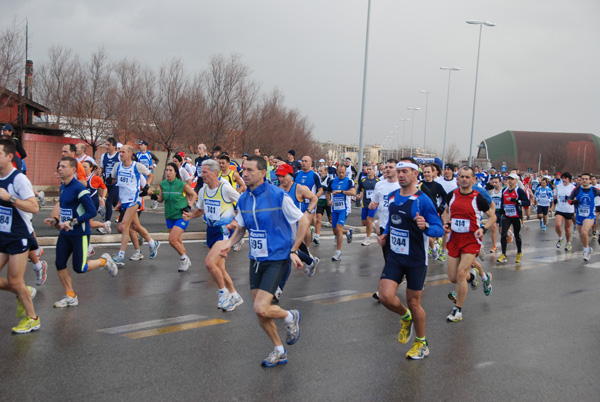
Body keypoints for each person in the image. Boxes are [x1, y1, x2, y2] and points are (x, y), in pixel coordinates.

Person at [219, 155, 308, 367]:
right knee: (261, 311)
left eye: (250, 170)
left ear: (262, 173)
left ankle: (290, 316)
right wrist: (228, 244)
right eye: (244, 170)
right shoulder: (244, 199)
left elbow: (303, 221)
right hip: (256, 259)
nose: (245, 174)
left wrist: (294, 249)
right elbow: (241, 227)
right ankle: (279, 350)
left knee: (261, 307)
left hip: (277, 258)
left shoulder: (278, 196)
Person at [377, 160, 444, 359]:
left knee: (414, 302)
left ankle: (422, 343)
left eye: (404, 171)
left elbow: (438, 229)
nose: (400, 175)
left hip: (416, 259)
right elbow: (392, 219)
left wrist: (426, 228)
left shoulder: (422, 200)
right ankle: (406, 317)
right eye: (398, 172)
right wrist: (386, 234)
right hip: (396, 256)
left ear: (415, 174)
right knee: (385, 296)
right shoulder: (391, 196)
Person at [43, 156, 118, 308]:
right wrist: (57, 220)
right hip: (65, 233)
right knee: (59, 263)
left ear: (72, 170)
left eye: (63, 166)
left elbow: (91, 211)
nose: (60, 169)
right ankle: (70, 295)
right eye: (59, 166)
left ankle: (104, 261)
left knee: (80, 268)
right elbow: (67, 211)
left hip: (80, 234)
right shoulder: (63, 187)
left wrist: (74, 222)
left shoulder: (79, 188)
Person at [184, 159, 244, 311]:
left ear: (215, 173)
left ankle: (223, 293)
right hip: (211, 231)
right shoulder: (203, 190)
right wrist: (190, 216)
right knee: (220, 269)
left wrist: (237, 220)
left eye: (205, 172)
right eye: (201, 172)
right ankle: (235, 295)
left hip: (224, 231)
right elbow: (201, 210)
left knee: (209, 263)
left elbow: (244, 203)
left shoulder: (225, 188)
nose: (201, 175)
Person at [442, 166, 496, 322]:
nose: (464, 179)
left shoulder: (478, 197)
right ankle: (474, 275)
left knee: (460, 273)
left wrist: (483, 228)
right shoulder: (451, 195)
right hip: (454, 239)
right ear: (458, 178)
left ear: (474, 179)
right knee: (453, 277)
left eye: (467, 177)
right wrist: (446, 223)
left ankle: (457, 310)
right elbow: (446, 211)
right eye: (461, 177)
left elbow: (492, 217)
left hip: (471, 239)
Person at [0, 137, 40, 333]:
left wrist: (11, 198)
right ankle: (23, 291)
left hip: (18, 234)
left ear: (9, 156)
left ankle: (33, 318)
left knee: (15, 280)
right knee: (17, 284)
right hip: (2, 234)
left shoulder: (19, 179)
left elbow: (34, 207)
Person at [111, 145, 160, 265]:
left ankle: (121, 255)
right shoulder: (117, 166)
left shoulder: (136, 166)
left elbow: (150, 175)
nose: (120, 154)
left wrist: (147, 186)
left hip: (134, 199)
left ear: (129, 153)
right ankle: (152, 243)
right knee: (136, 226)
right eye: (119, 152)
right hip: (124, 201)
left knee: (124, 225)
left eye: (123, 152)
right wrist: (118, 202)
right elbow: (119, 185)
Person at [158, 162, 197, 271]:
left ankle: (184, 259)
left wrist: (189, 206)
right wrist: (151, 194)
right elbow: (160, 199)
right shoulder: (163, 184)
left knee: (172, 240)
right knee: (178, 241)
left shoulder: (181, 184)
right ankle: (184, 261)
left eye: (170, 170)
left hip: (181, 216)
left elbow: (194, 195)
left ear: (175, 172)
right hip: (169, 216)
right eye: (166, 170)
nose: (168, 172)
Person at [496, 173, 530, 263]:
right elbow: (502, 201)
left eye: (512, 179)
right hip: (507, 216)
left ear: (516, 180)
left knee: (517, 235)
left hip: (516, 216)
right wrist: (501, 210)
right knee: (503, 234)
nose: (510, 180)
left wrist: (518, 201)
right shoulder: (504, 190)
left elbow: (527, 202)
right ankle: (503, 254)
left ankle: (519, 252)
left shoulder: (519, 191)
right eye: (508, 178)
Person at [326, 164, 356, 261]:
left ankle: (338, 252)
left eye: (343, 172)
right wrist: (328, 201)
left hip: (344, 209)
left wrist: (341, 191)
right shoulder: (332, 181)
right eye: (339, 172)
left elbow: (353, 193)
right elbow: (327, 193)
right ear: (337, 172)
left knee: (339, 228)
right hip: (334, 209)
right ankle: (347, 232)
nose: (341, 174)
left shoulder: (348, 181)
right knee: (335, 231)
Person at [567, 173, 600, 261]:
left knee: (584, 231)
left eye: (586, 179)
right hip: (579, 215)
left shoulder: (595, 190)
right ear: (580, 180)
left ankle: (585, 251)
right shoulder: (576, 190)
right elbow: (569, 199)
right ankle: (587, 248)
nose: (584, 180)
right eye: (583, 179)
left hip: (590, 215)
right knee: (581, 234)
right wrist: (573, 202)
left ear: (590, 181)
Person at [99, 137, 121, 234]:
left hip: (116, 184)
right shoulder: (104, 156)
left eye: (108, 145)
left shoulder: (119, 156)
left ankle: (106, 226)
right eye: (106, 144)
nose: (106, 146)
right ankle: (130, 219)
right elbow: (102, 169)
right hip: (107, 183)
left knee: (108, 202)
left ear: (114, 146)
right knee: (116, 204)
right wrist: (98, 174)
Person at [357, 164, 378, 245]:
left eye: (370, 169)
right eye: (367, 169)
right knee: (364, 222)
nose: (368, 171)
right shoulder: (363, 180)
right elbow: (359, 188)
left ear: (374, 171)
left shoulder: (377, 181)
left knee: (369, 220)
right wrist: (358, 194)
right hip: (365, 204)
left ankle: (367, 238)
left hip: (373, 204)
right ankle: (373, 225)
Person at [553, 172, 576, 251]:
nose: (564, 180)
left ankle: (568, 242)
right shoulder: (558, 186)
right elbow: (555, 195)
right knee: (557, 225)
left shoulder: (573, 188)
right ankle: (560, 238)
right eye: (563, 178)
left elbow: (575, 199)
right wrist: (555, 201)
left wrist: (569, 199)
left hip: (569, 210)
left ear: (569, 179)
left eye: (565, 178)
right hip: (559, 209)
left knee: (567, 228)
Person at [136, 140, 160, 209]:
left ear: (146, 146)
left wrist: (153, 165)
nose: (140, 146)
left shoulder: (149, 154)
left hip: (148, 175)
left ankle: (154, 199)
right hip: (141, 174)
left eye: (142, 145)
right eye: (139, 145)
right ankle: (152, 199)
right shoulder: (138, 154)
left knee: (146, 190)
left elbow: (157, 160)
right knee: (143, 190)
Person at [314, 166, 332, 245]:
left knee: (331, 221)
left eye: (321, 171)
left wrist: (322, 188)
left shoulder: (329, 180)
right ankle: (317, 236)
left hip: (327, 202)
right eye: (319, 171)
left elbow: (329, 189)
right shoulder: (318, 179)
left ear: (326, 171)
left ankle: (337, 234)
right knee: (318, 219)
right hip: (320, 201)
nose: (320, 173)